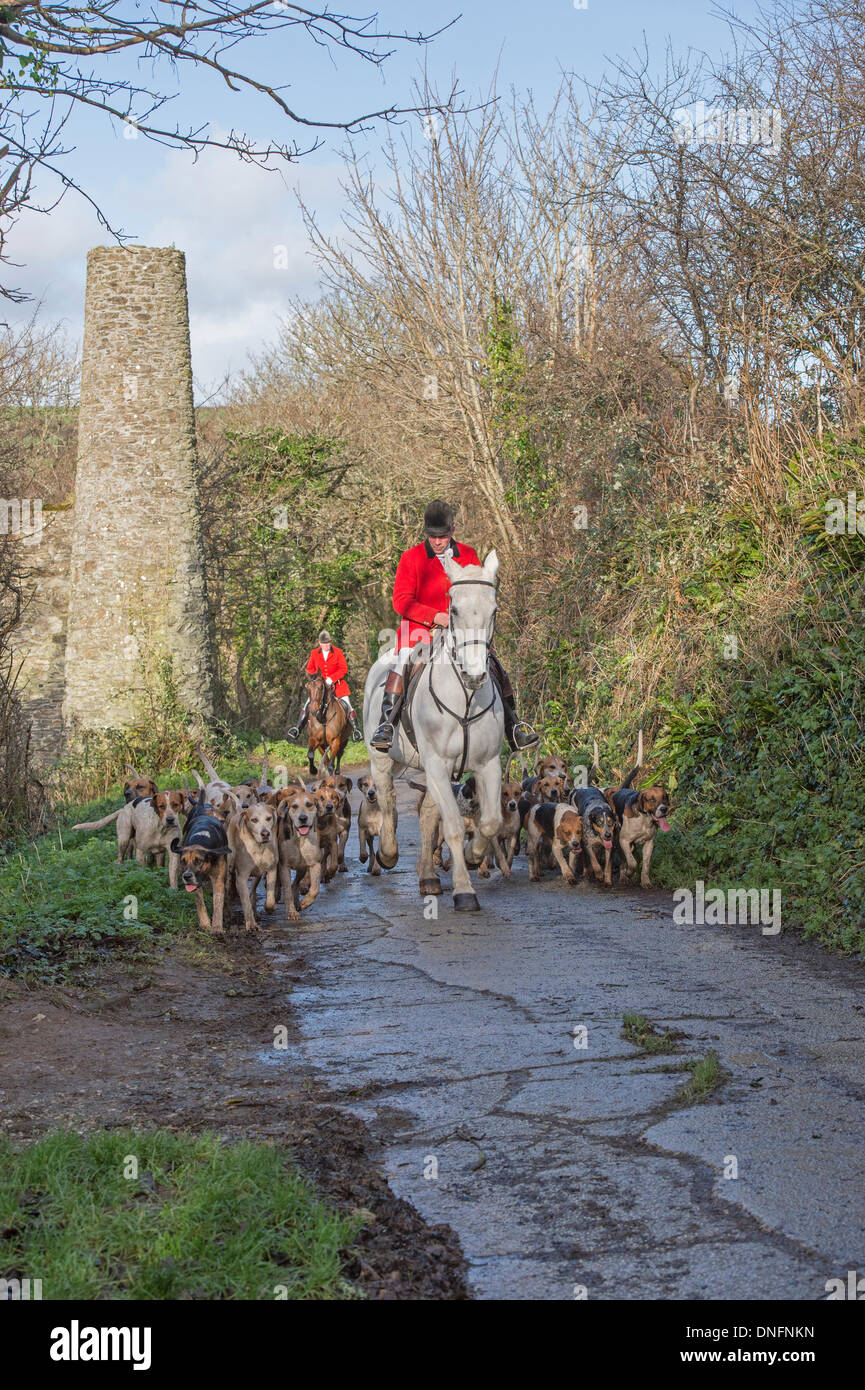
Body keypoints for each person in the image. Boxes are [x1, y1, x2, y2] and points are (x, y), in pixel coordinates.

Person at [370, 499, 538, 752]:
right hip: (420, 631)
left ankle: (513, 726)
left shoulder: (468, 554)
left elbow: (477, 595)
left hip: (462, 631)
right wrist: (435, 617)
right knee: (403, 662)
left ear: (453, 531)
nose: (437, 542)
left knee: (494, 664)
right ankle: (387, 724)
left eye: (443, 536)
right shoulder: (411, 557)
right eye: (432, 536)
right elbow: (401, 601)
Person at [287, 630, 363, 742]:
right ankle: (297, 728)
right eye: (324, 643)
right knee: (307, 705)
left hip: (337, 687)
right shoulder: (314, 653)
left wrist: (331, 679)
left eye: (328, 643)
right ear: (319, 643)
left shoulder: (338, 652)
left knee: (348, 705)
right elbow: (310, 668)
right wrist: (316, 679)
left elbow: (343, 669)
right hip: (319, 688)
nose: (327, 645)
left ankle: (356, 731)